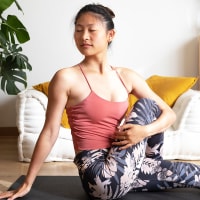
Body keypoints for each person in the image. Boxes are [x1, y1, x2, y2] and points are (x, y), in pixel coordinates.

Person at [0, 3, 200, 200]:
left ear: (110, 35)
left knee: (195, 173)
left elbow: (169, 114)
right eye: (78, 30)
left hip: (125, 165)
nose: (83, 36)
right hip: (99, 177)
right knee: (147, 105)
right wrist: (27, 182)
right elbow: (50, 131)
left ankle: (150, 165)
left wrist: (143, 132)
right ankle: (147, 167)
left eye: (91, 30)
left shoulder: (126, 76)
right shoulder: (66, 77)